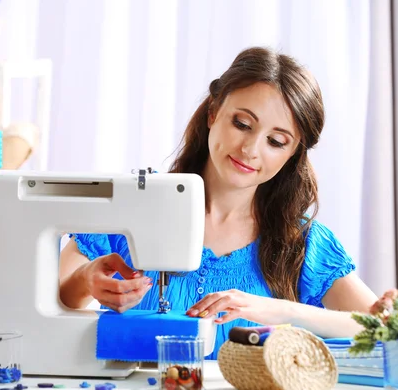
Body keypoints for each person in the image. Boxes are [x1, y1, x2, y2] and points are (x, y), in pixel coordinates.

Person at [58, 46, 378, 359]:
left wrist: (271, 309)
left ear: (292, 152)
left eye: (276, 141)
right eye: (242, 124)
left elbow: (380, 328)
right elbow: (49, 297)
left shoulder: (302, 243)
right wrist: (85, 280)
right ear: (213, 112)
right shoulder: (136, 203)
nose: (251, 149)